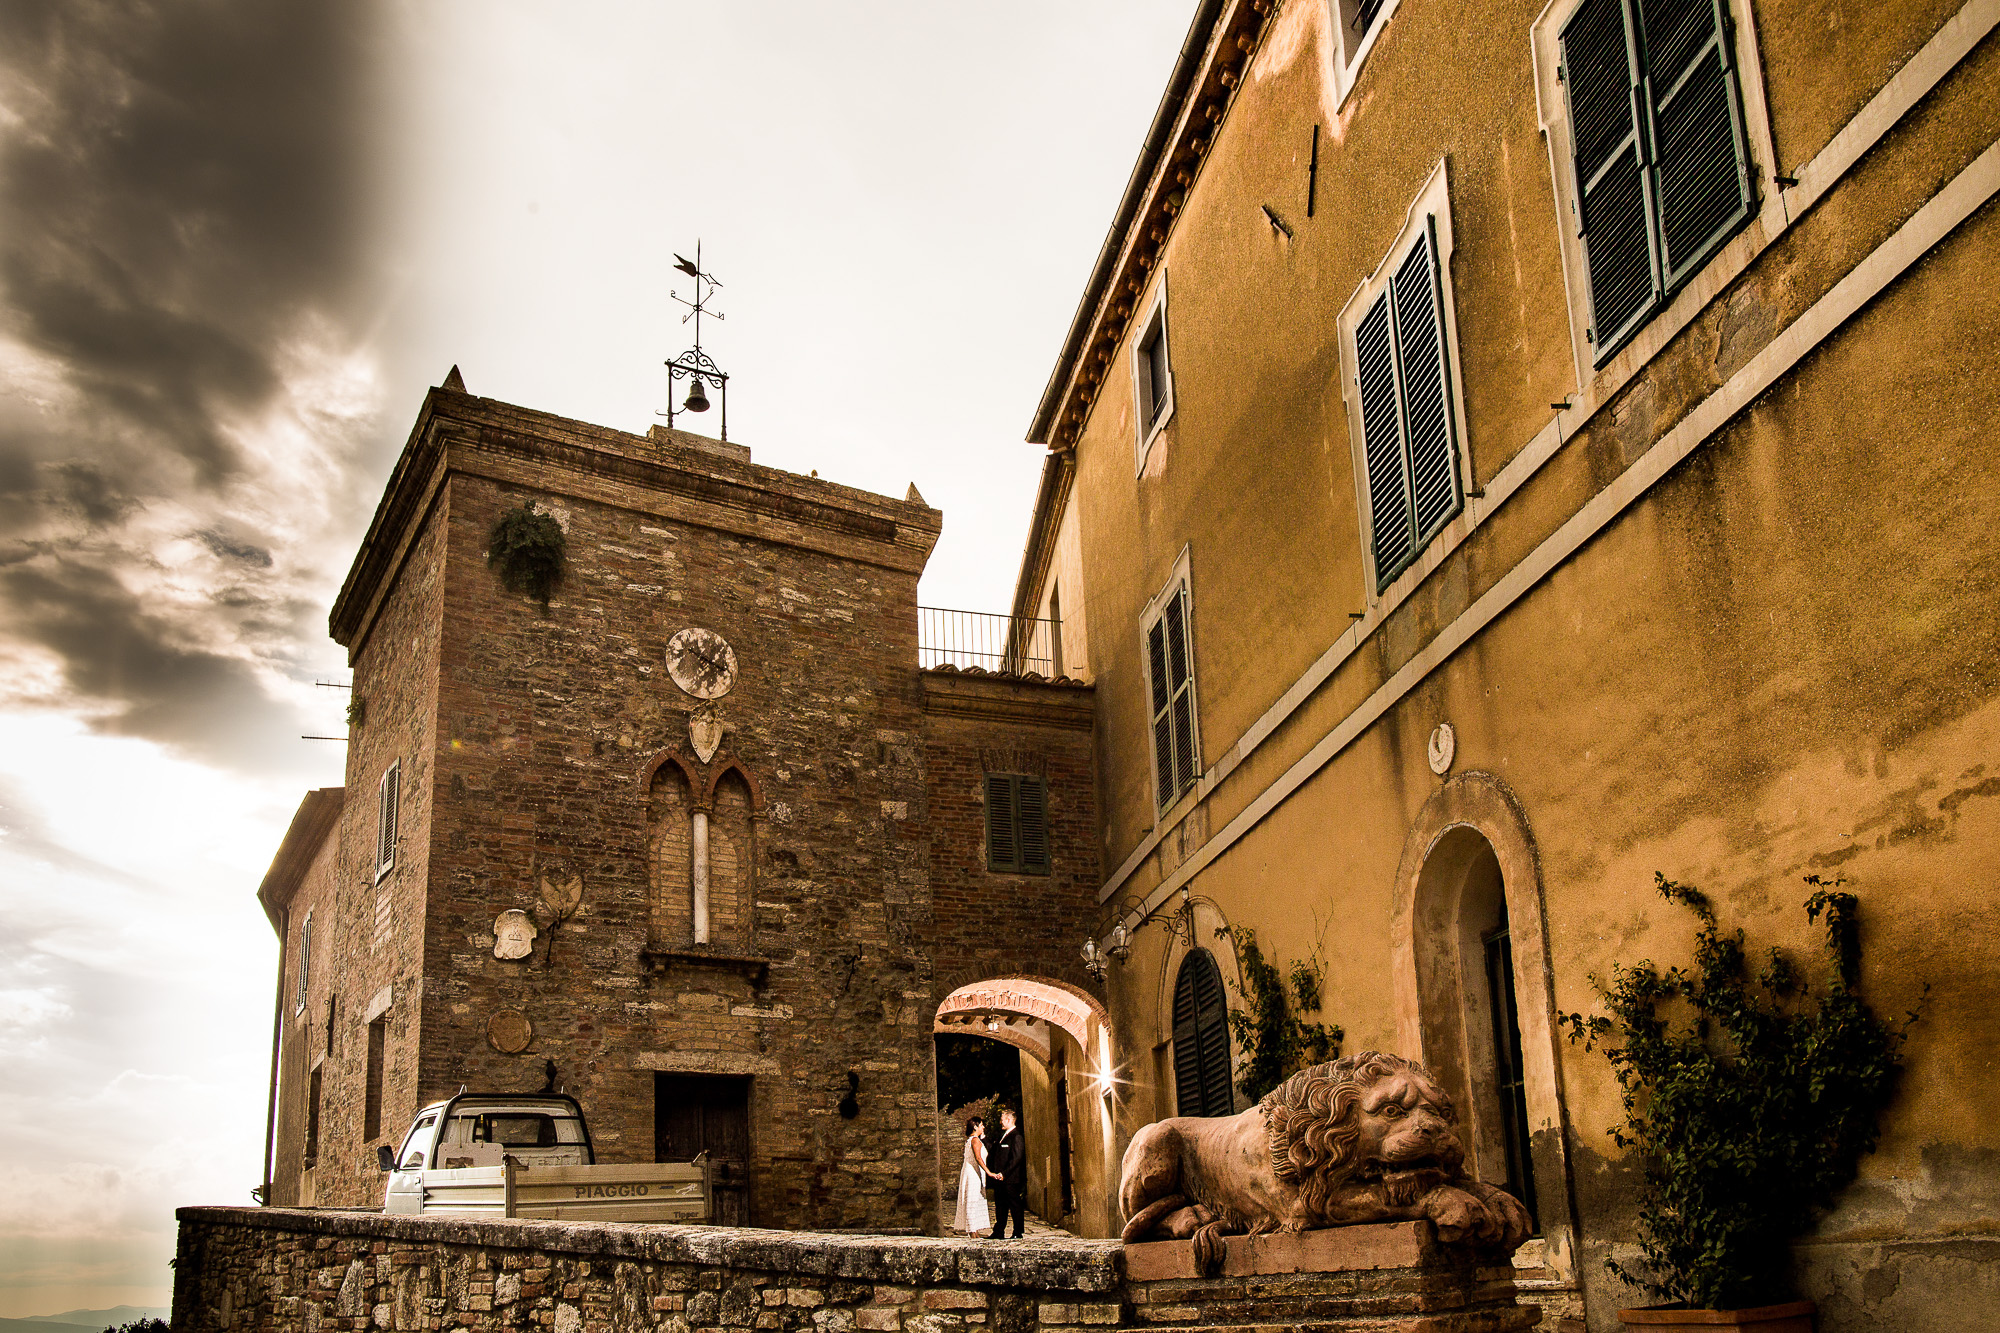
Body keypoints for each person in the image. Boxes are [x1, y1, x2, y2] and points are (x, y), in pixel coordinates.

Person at [986, 1106, 1026, 1239]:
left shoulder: (1016, 1136)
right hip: (1000, 1178)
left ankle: (1017, 1232)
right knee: (1000, 1206)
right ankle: (999, 1231)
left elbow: (1016, 1158)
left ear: (1009, 1120)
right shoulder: (1002, 1136)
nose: (1000, 1122)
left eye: (1002, 1119)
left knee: (1015, 1205)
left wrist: (1005, 1173)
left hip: (1011, 1179)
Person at [951, 1117, 992, 1236]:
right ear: (975, 1127)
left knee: (975, 1200)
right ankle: (972, 1231)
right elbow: (978, 1158)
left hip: (973, 1172)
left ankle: (974, 1230)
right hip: (973, 1173)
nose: (983, 1127)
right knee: (972, 1200)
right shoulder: (974, 1140)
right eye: (981, 1125)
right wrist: (989, 1172)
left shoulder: (973, 1140)